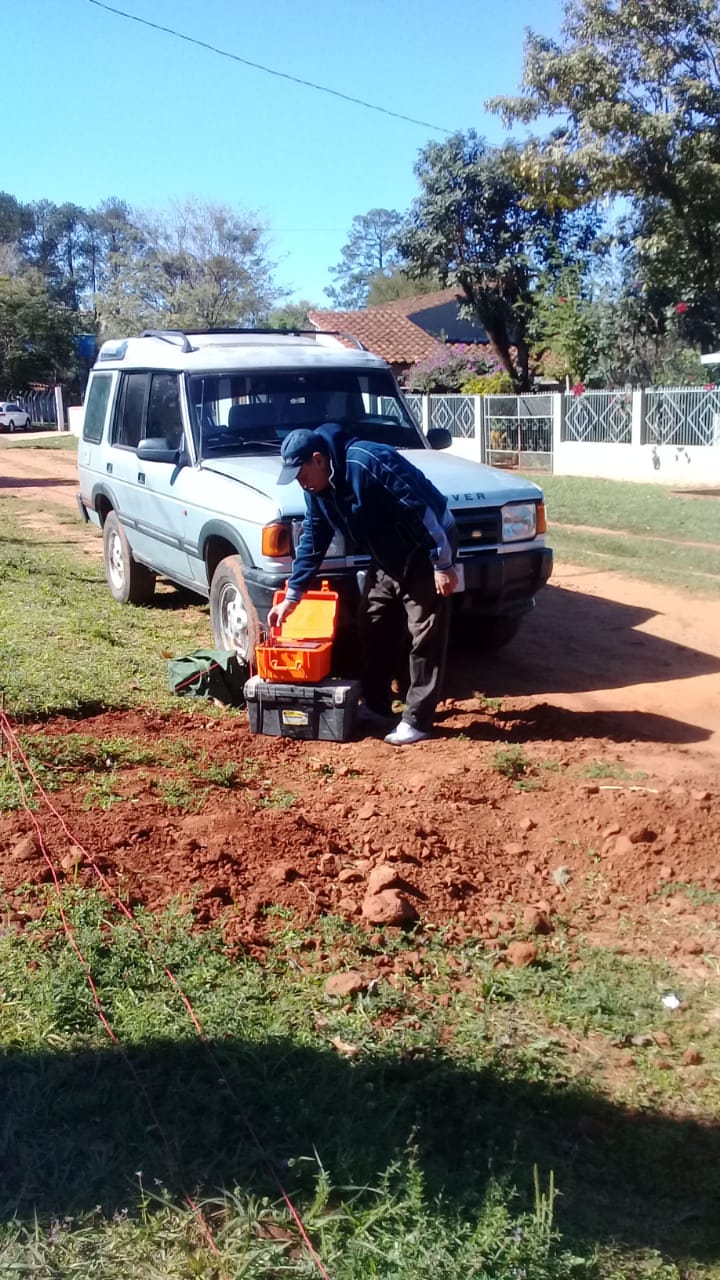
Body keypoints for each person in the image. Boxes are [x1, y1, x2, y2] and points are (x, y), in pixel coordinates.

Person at [269, 423, 458, 746]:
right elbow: (314, 538)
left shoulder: (368, 462)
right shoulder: (316, 488)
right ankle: (376, 705)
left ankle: (418, 719)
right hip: (386, 554)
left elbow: (421, 510)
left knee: (424, 633)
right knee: (373, 623)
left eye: (302, 474)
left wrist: (443, 563)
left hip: (425, 547)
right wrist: (293, 595)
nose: (301, 483)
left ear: (318, 459)